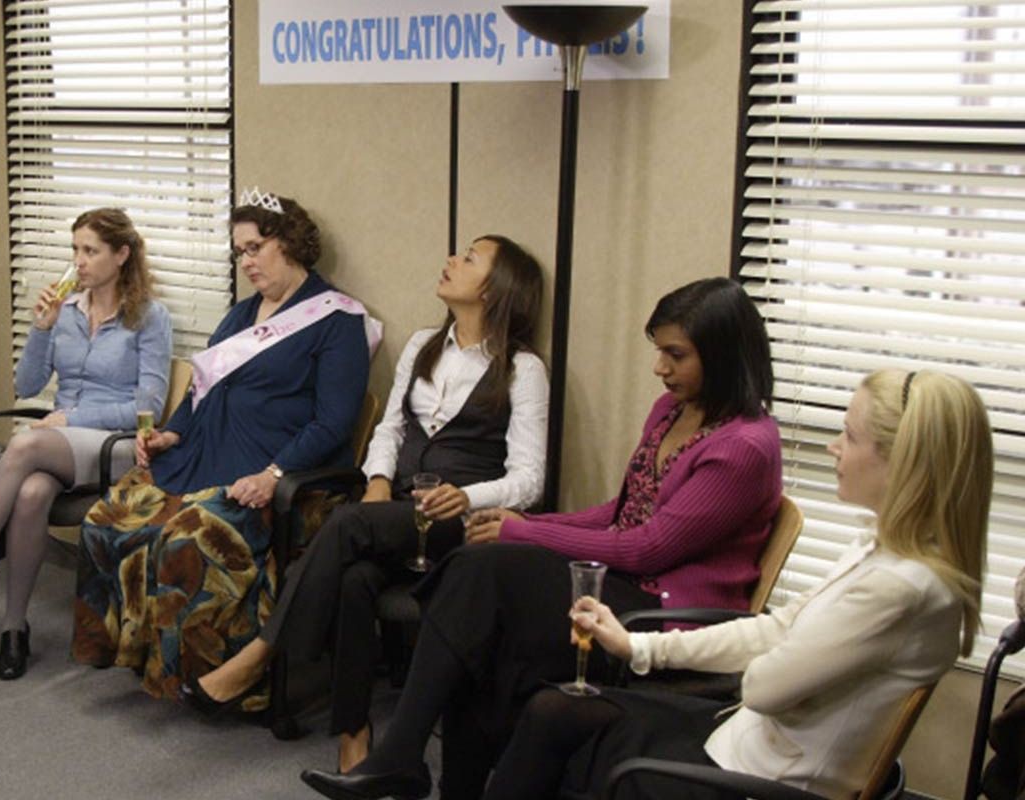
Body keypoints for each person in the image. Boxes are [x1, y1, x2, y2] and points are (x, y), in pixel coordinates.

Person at [301, 276, 782, 799]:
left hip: (658, 613)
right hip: (615, 583)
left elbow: (650, 547)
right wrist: (522, 525)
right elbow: (617, 515)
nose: (659, 368)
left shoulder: (744, 447)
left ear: (724, 354)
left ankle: (399, 758)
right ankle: (409, 765)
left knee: (480, 591)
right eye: (658, 351)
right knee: (477, 601)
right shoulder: (671, 411)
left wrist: (527, 532)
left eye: (675, 355)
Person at [463, 368, 989, 800]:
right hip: (746, 739)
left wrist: (789, 644)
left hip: (760, 780)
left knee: (563, 733)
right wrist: (637, 645)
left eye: (849, 437)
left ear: (905, 466)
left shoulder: (902, 589)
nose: (833, 447)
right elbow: (777, 629)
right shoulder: (881, 549)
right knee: (553, 708)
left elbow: (764, 685)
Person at [180, 234, 550, 774]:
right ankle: (355, 737)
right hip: (397, 509)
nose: (450, 260)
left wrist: (463, 497)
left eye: (469, 258)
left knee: (348, 524)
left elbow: (529, 479)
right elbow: (390, 429)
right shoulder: (425, 344)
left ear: (497, 290)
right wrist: (377, 479)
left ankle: (260, 655)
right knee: (354, 579)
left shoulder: (522, 369)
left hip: (463, 523)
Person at [72, 189, 376, 701]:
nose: (247, 262)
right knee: (106, 519)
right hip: (203, 455)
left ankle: (191, 676)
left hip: (276, 477)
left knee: (183, 541)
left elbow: (334, 423)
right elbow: (200, 390)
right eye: (240, 252)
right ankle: (127, 651)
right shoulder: (241, 315)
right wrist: (172, 432)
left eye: (256, 248)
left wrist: (274, 474)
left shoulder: (336, 320)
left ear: (291, 243)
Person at [0, 208, 172, 680]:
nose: (79, 262)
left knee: (22, 446)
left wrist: (73, 417)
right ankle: (13, 628)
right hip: (60, 443)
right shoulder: (67, 312)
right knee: (31, 493)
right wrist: (41, 328)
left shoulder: (149, 316)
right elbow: (27, 383)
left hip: (115, 445)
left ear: (122, 255)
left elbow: (149, 408)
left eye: (91, 251)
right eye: (75, 250)